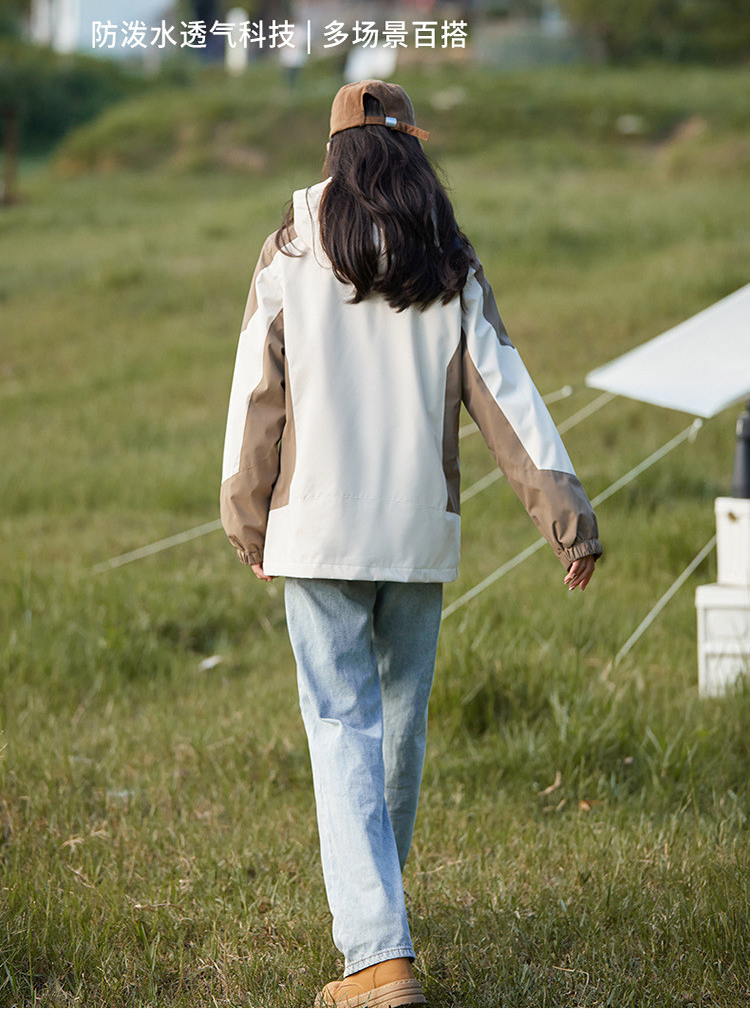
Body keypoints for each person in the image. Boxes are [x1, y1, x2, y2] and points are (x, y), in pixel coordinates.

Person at [220, 80, 602, 1008]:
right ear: (411, 152)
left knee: (341, 725)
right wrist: (567, 514)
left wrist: (246, 511)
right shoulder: (447, 253)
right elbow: (507, 395)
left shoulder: (294, 240)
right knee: (397, 727)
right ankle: (379, 937)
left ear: (335, 153)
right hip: (416, 532)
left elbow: (254, 393)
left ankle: (377, 955)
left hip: (316, 529)